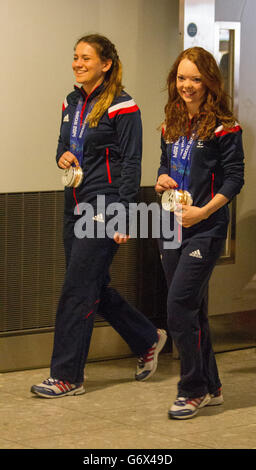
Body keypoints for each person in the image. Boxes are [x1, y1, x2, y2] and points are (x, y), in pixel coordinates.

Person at [31, 34, 167, 398]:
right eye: (75, 57)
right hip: (72, 202)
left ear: (105, 64)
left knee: (77, 288)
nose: (77, 63)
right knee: (91, 284)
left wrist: (123, 214)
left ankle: (66, 376)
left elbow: (131, 163)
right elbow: (64, 145)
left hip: (105, 205)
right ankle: (147, 336)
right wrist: (61, 156)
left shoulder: (123, 106)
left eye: (86, 58)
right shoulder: (71, 101)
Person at [155, 47, 244, 419]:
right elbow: (166, 163)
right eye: (181, 78)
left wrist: (203, 211)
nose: (187, 86)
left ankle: (191, 389)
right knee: (193, 310)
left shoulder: (225, 126)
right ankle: (212, 385)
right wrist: (161, 179)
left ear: (209, 81)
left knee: (178, 308)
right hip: (170, 225)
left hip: (205, 229)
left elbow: (235, 178)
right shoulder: (171, 121)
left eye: (194, 78)